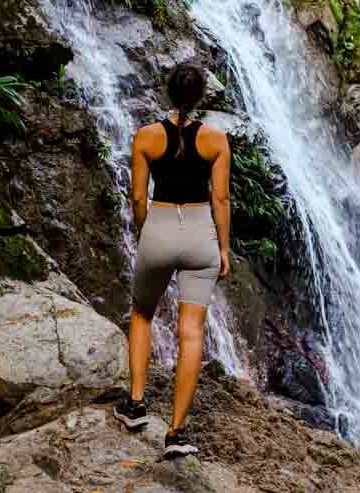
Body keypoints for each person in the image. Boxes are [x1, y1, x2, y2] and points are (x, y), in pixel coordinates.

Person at [113, 63, 231, 459]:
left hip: (159, 226)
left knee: (143, 313)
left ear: (168, 91)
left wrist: (148, 231)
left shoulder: (146, 136)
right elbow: (220, 199)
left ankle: (135, 405)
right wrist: (224, 249)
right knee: (191, 332)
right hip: (201, 235)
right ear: (200, 96)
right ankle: (177, 433)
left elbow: (137, 197)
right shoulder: (216, 139)